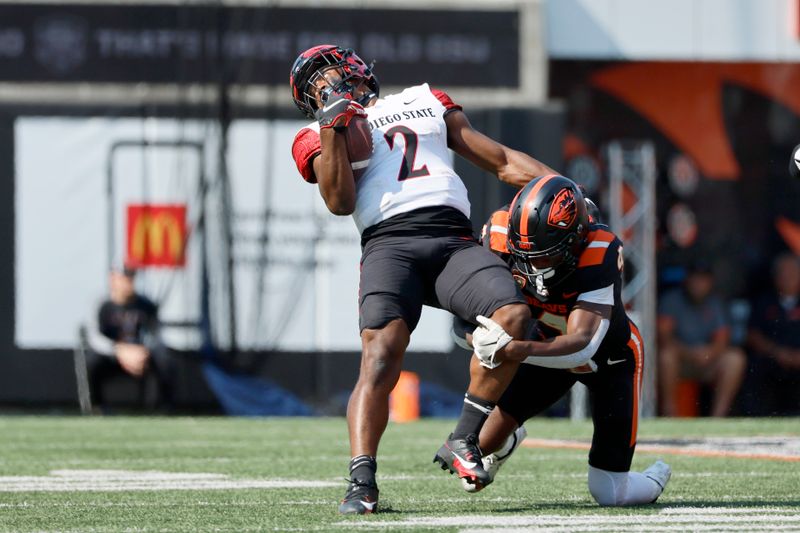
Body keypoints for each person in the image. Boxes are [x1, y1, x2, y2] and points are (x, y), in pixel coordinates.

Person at [289, 45, 555, 514]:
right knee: (380, 353)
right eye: (316, 87)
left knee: (514, 315)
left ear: (355, 69)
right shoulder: (313, 134)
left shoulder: (425, 98)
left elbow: (500, 160)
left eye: (328, 75)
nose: (327, 87)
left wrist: (561, 186)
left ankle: (464, 439)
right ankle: (361, 481)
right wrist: (332, 126)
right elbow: (339, 202)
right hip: (389, 244)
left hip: (452, 240)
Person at [450, 175, 671, 506]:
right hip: (545, 348)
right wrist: (479, 338)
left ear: (575, 239)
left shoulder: (600, 249)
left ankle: (658, 474)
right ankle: (507, 441)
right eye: (523, 254)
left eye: (544, 255)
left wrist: (511, 349)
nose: (532, 266)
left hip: (609, 360)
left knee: (610, 492)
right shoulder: (497, 234)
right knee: (477, 450)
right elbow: (462, 320)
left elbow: (582, 344)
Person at [657, 261, 746, 417]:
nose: (699, 284)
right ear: (687, 280)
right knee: (666, 356)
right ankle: (669, 413)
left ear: (710, 282)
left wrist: (709, 353)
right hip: (680, 361)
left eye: (703, 280)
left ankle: (718, 417)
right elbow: (664, 337)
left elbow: (722, 339)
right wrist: (689, 352)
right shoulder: (671, 300)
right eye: (695, 279)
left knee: (735, 358)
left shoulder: (716, 303)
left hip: (707, 361)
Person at [84, 265, 174, 412]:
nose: (128, 282)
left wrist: (141, 351)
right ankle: (97, 407)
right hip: (112, 357)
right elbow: (95, 337)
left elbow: (157, 335)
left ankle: (162, 409)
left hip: (140, 356)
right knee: (92, 360)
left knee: (164, 360)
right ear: (113, 279)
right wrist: (119, 350)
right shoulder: (102, 306)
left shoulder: (146, 305)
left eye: (131, 277)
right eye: (124, 277)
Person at [745, 252, 800, 415]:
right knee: (753, 366)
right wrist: (777, 352)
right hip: (771, 357)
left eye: (791, 273)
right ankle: (756, 417)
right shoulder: (764, 301)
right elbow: (752, 335)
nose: (786, 277)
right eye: (782, 273)